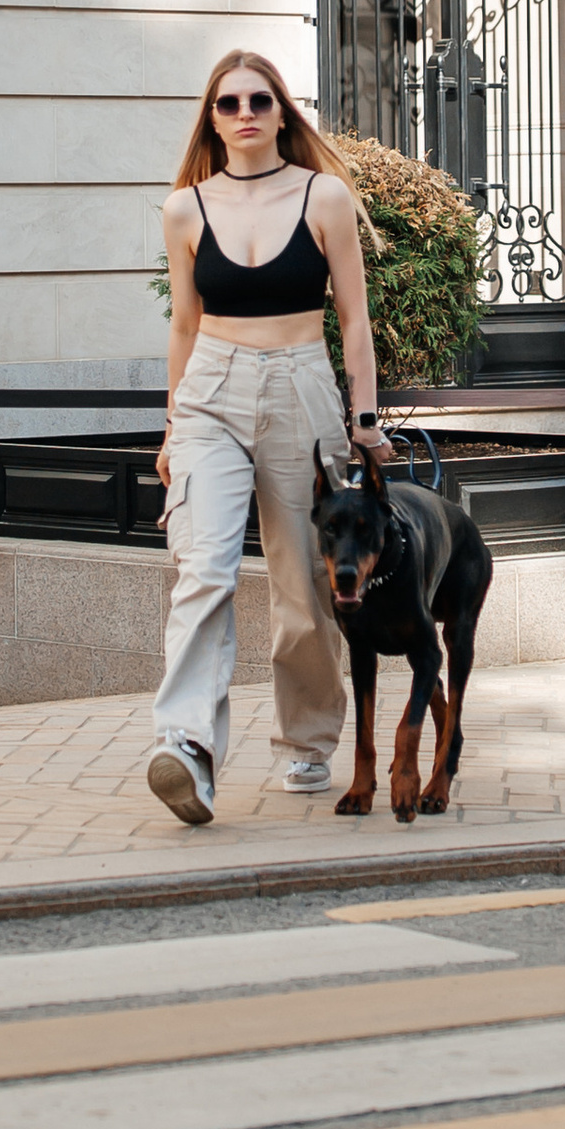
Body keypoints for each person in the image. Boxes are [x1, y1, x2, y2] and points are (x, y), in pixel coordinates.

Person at [146, 47, 391, 827]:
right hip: (211, 391)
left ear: (283, 112)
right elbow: (184, 325)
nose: (244, 113)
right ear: (211, 119)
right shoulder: (186, 208)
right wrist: (171, 426)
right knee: (204, 569)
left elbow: (353, 320)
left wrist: (365, 418)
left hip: (301, 383)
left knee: (306, 586)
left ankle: (308, 741)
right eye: (228, 103)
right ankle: (186, 747)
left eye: (259, 100)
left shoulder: (325, 197)